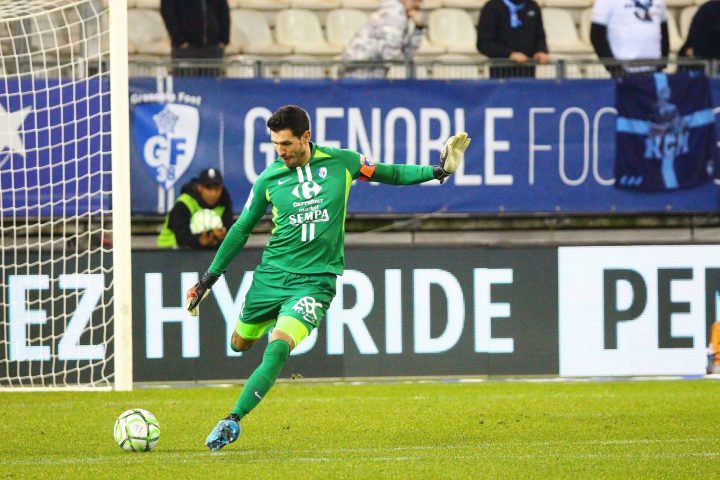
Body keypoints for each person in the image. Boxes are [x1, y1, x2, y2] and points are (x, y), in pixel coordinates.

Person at [185, 105, 470, 451]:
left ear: (306, 137)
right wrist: (207, 281)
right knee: (239, 343)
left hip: (315, 283)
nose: (280, 151)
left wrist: (438, 170)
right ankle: (263, 324)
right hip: (271, 277)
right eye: (275, 144)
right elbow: (241, 229)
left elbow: (391, 173)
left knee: (277, 347)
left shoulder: (343, 163)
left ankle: (233, 419)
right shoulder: (268, 180)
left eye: (286, 143)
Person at [340, 0, 426, 78]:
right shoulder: (394, 17)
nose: (418, 5)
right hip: (358, 74)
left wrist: (418, 29)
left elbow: (405, 55)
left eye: (420, 1)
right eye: (415, 0)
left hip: (369, 74)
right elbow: (390, 57)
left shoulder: (398, 15)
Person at [157, 167, 234, 249]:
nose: (213, 193)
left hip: (208, 254)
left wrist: (219, 238)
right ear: (199, 187)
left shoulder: (224, 203)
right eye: (208, 188)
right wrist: (200, 240)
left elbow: (229, 232)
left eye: (217, 189)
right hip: (170, 251)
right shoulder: (184, 203)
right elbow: (181, 235)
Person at [590, 0, 669, 77]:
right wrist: (614, 68)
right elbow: (597, 35)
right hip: (623, 72)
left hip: (655, 70)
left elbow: (664, 31)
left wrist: (662, 63)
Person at [476, 0, 550, 79]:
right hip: (501, 73)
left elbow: (539, 35)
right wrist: (509, 54)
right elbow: (484, 43)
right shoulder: (492, 7)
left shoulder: (532, 6)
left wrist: (540, 50)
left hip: (528, 72)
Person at [160, 0, 230, 77]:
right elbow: (168, 12)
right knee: (185, 86)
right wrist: (180, 41)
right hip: (185, 51)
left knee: (213, 86)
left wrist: (224, 39)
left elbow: (224, 11)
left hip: (213, 48)